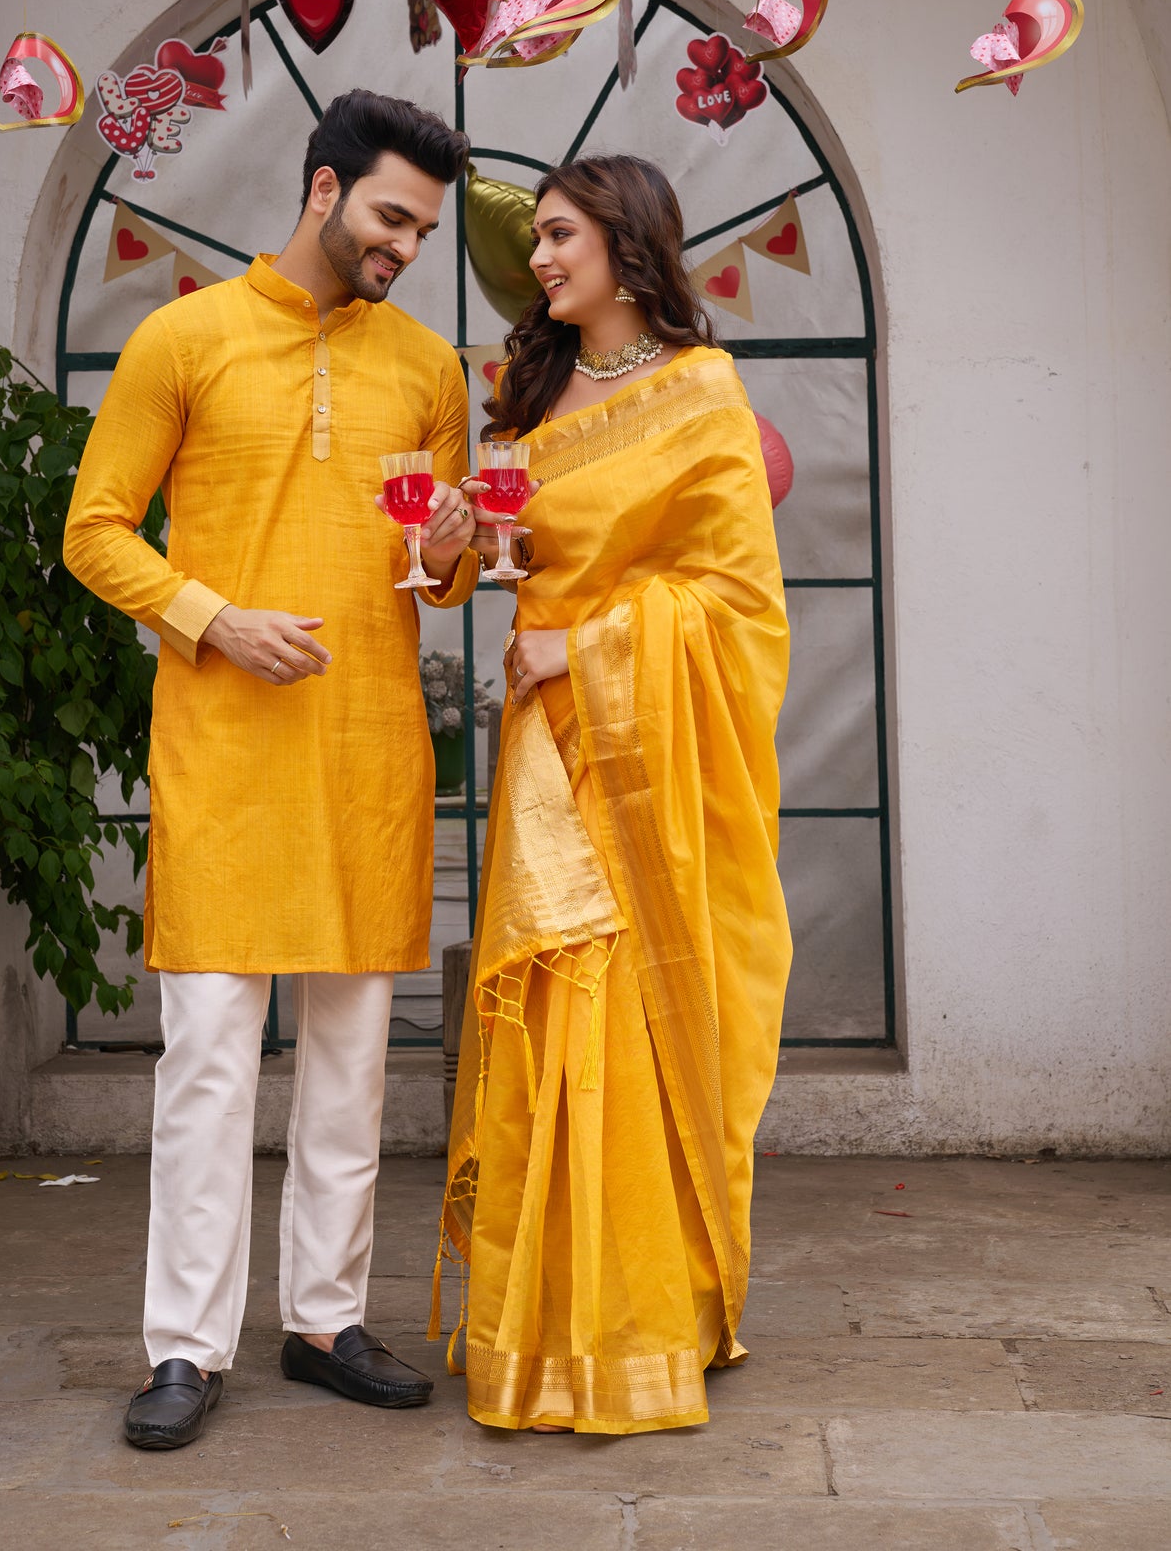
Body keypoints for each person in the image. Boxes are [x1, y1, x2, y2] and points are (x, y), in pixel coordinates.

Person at [64, 89, 480, 1449]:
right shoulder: (184, 340)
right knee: (209, 1068)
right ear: (321, 189)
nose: (406, 245)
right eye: (389, 216)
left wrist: (460, 542)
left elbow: (441, 570)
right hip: (225, 755)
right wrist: (210, 617)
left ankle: (324, 1321)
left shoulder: (427, 368)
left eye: (422, 227)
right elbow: (95, 531)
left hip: (367, 754)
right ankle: (184, 1348)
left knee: (353, 1067)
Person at [437, 153, 792, 1435]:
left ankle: (643, 1319)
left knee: (628, 1012)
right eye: (534, 239)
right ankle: (536, 1324)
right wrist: (465, 551)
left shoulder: (699, 393)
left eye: (559, 235)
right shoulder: (529, 394)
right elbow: (496, 558)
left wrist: (579, 647)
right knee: (550, 1005)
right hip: (546, 747)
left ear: (626, 243)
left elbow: (740, 604)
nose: (537, 260)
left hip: (641, 752)